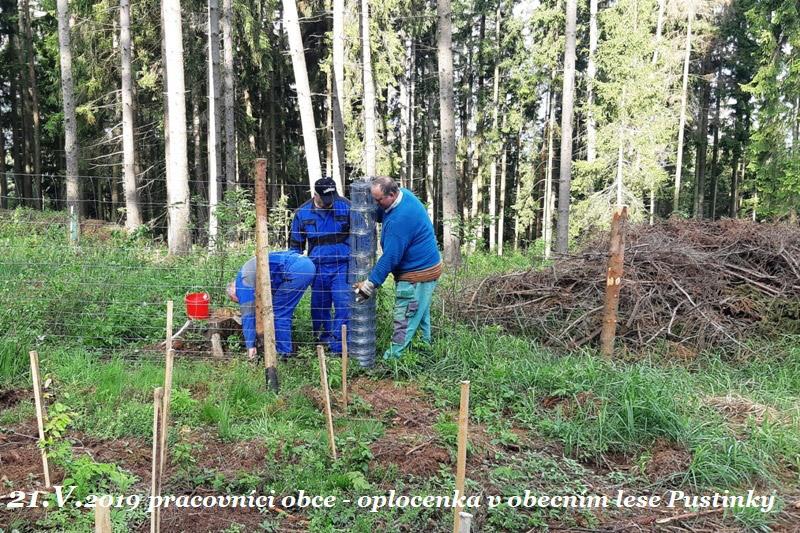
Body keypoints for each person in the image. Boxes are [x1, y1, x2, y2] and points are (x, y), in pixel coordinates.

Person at [353, 176, 442, 359]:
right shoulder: (404, 196)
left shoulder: (399, 220)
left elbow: (391, 257)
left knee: (405, 318)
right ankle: (424, 353)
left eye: (378, 200)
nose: (375, 204)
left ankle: (393, 359)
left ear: (392, 195)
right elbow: (383, 213)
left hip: (417, 275)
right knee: (419, 315)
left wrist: (370, 284)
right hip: (427, 267)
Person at [289, 177, 351, 354]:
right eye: (325, 199)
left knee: (343, 305)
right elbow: (295, 247)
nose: (329, 202)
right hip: (317, 267)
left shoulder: (346, 207)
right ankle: (322, 343)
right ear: (315, 195)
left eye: (332, 198)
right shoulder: (302, 213)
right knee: (319, 307)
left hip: (343, 266)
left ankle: (339, 348)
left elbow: (362, 236)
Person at [227, 251, 315, 360]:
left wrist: (250, 345)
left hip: (296, 269)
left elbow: (248, 315)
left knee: (279, 313)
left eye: (237, 301)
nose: (240, 302)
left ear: (233, 293)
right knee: (281, 309)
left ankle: (284, 355)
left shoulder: (242, 284)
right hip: (304, 263)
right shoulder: (247, 274)